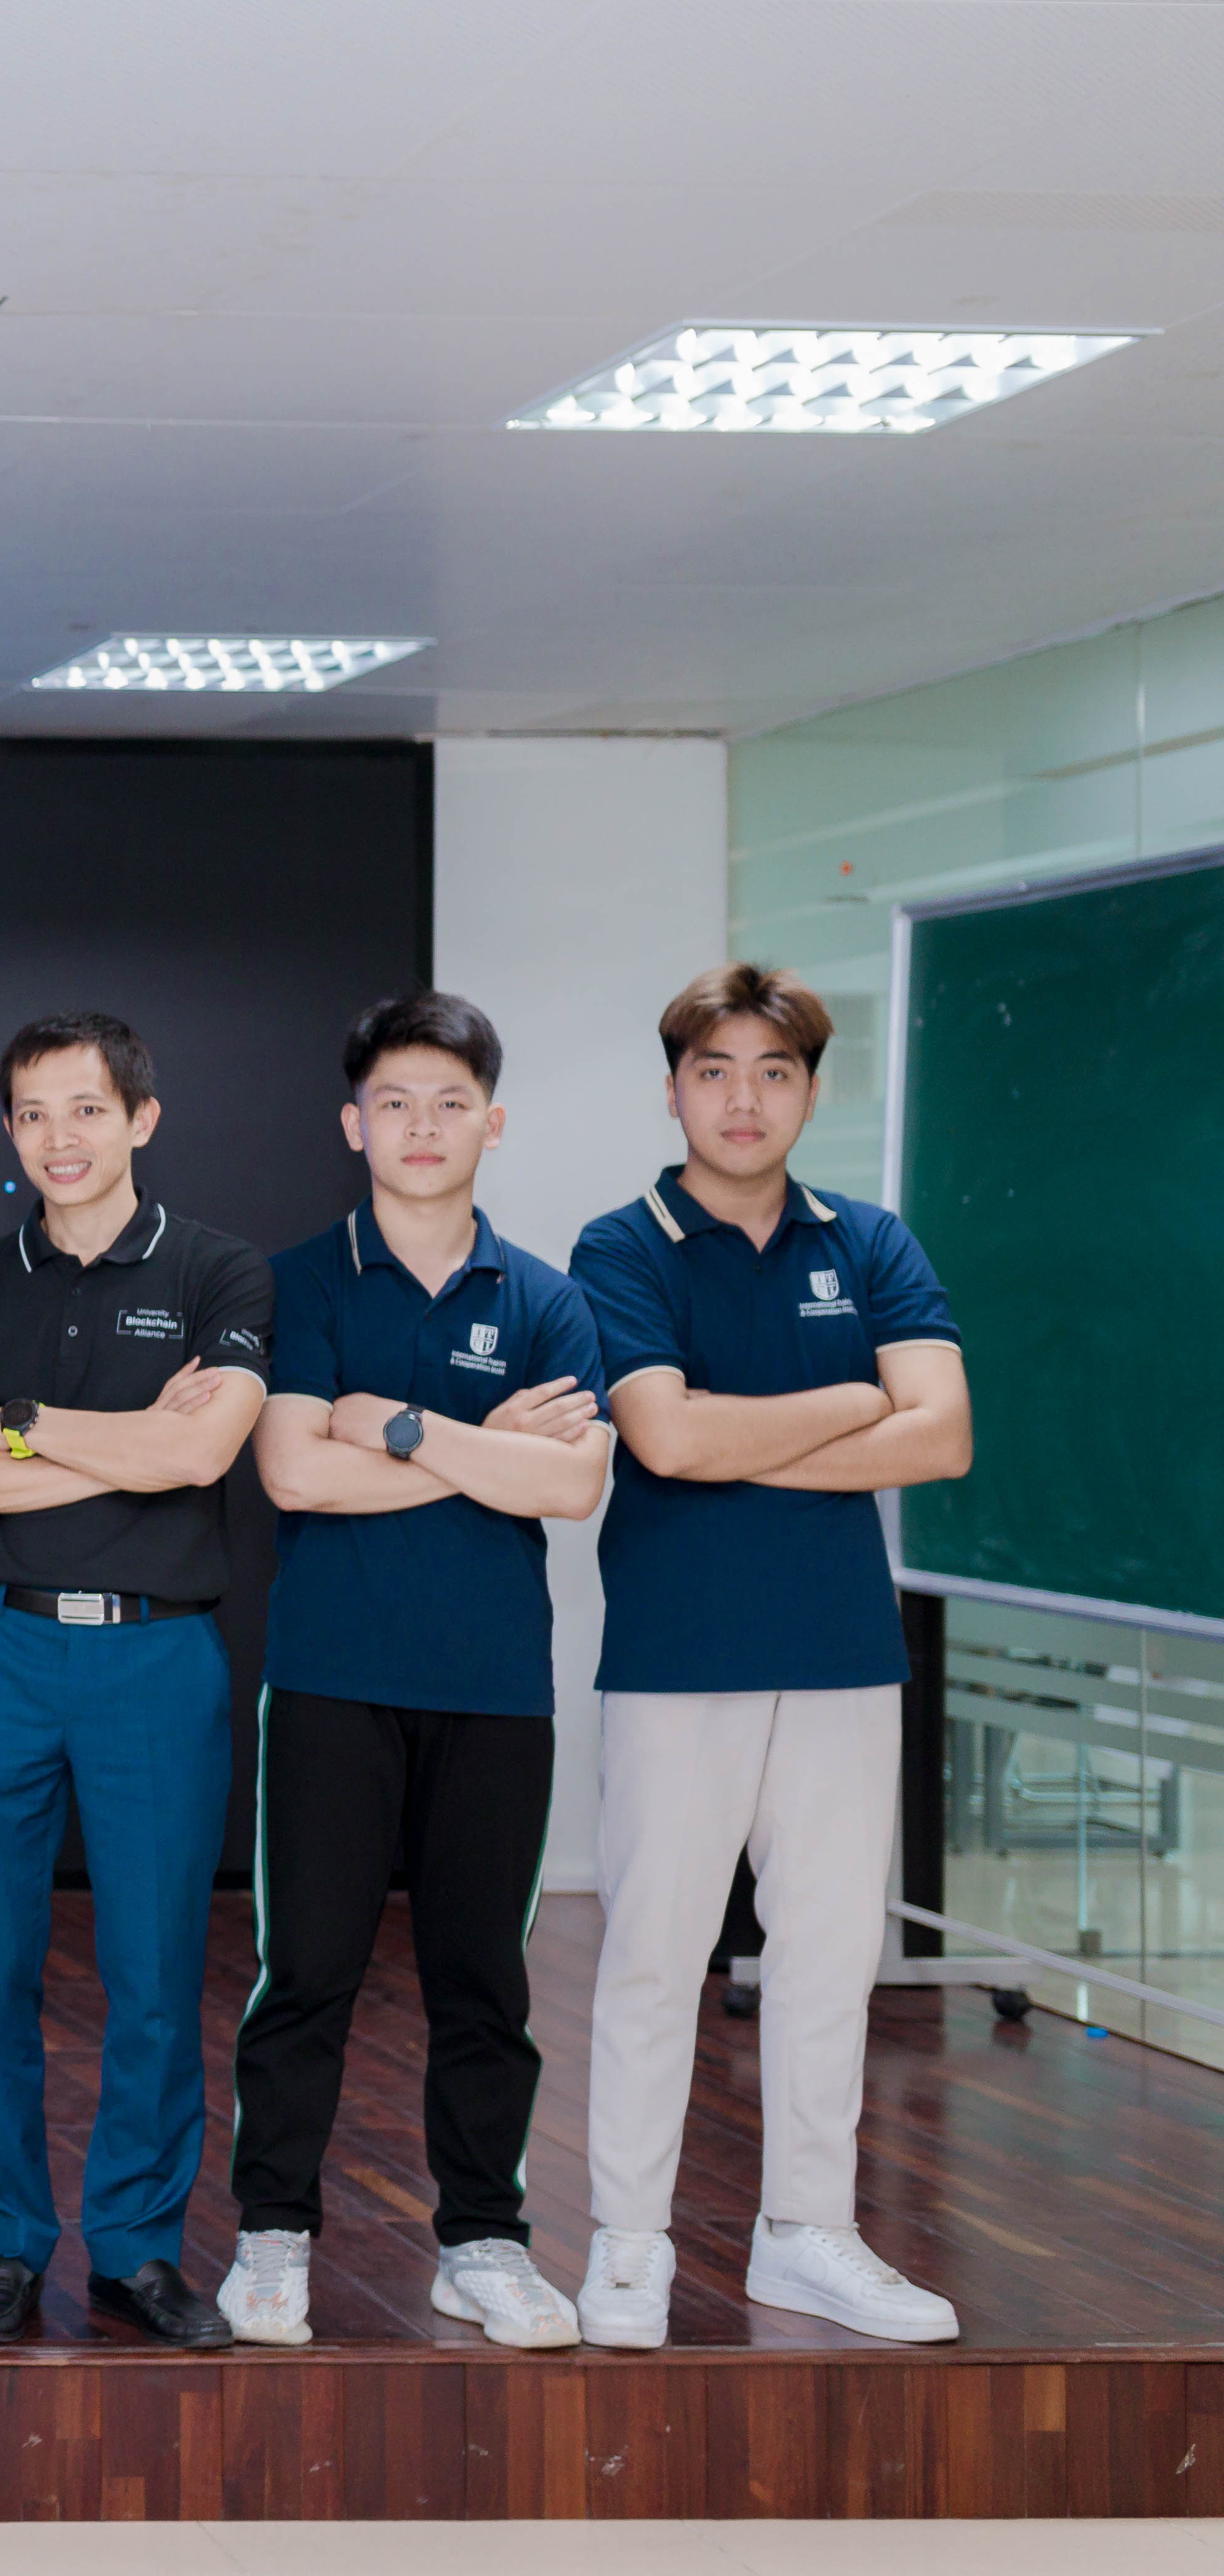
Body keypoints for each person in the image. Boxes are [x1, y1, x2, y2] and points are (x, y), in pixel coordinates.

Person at [564, 963, 973, 2349]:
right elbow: (666, 1438)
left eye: (775, 1072)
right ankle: (629, 2242)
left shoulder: (871, 1240)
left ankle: (809, 2233)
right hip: (680, 1656)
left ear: (810, 1090)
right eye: (716, 1071)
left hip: (845, 1653)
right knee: (655, 1954)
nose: (745, 1100)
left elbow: (943, 1435)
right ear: (674, 1089)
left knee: (829, 1957)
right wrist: (853, 1398)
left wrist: (744, 1433)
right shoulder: (622, 1246)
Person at [220, 992, 609, 2353]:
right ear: (354, 1124)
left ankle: (483, 2242)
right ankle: (273, 2236)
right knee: (306, 1971)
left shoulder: (548, 1296)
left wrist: (395, 1425)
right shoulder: (302, 1281)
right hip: (332, 1679)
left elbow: (571, 1484)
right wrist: (483, 1448)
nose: (423, 1126)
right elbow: (292, 1471)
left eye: (451, 1103)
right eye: (395, 1103)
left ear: (492, 1123)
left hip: (496, 1689)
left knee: (484, 1982)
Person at [0, 1011, 269, 2351]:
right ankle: (4, 2242)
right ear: (10, 1129)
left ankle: (137, 2247)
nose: (60, 1138)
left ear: (141, 1118)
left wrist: (17, 1427)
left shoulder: (219, 1271)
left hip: (153, 1654)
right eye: (34, 1113)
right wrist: (123, 1444)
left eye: (88, 1109)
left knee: (156, 1972)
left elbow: (201, 1455)